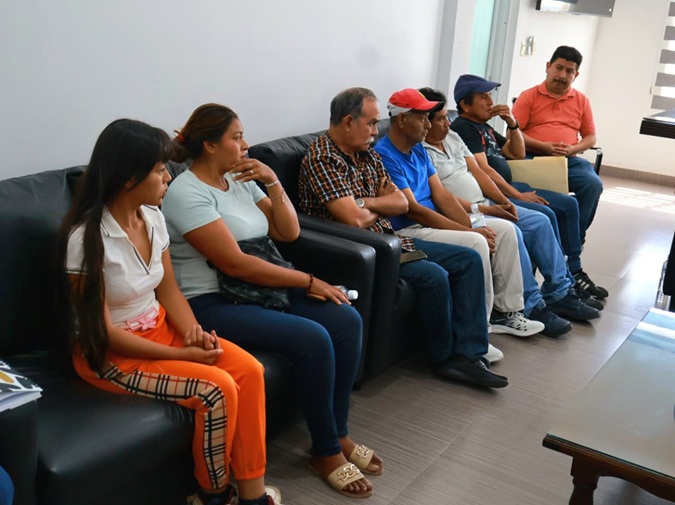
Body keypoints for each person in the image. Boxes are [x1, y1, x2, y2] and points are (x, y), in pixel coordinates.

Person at [56, 119, 279, 505]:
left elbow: (169, 290)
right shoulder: (86, 241)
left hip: (159, 329)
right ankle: (213, 494)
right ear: (129, 178)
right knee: (216, 389)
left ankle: (252, 494)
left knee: (249, 370)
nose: (168, 179)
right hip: (110, 355)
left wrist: (194, 333)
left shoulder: (153, 217)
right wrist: (183, 355)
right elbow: (102, 332)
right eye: (160, 170)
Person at [161, 104, 377, 500]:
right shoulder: (185, 193)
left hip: (259, 289)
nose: (246, 145)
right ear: (210, 145)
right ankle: (326, 451)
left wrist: (273, 181)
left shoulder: (239, 178)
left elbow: (287, 232)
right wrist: (308, 280)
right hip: (211, 300)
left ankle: (338, 431)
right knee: (313, 337)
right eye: (236, 137)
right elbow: (235, 264)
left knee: (346, 320)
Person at [299, 87, 509, 388]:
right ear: (348, 122)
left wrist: (364, 202)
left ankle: (470, 351)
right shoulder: (323, 158)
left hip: (390, 239)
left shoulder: (367, 154)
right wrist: (373, 205)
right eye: (372, 123)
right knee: (434, 276)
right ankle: (447, 359)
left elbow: (399, 203)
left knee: (467, 257)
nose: (376, 131)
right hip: (362, 250)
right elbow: (353, 219)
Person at [374, 88, 598, 335]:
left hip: (453, 213)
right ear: (402, 119)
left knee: (508, 230)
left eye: (431, 118)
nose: (428, 125)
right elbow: (415, 210)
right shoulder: (386, 154)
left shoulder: (418, 148)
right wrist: (472, 229)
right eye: (424, 118)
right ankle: (482, 327)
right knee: (479, 241)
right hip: (415, 227)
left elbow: (443, 195)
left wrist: (475, 222)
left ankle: (509, 311)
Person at [449, 74, 608, 303]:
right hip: (498, 192)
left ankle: (573, 269)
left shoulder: (484, 127)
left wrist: (512, 123)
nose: (491, 102)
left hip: (513, 185)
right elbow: (483, 170)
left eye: (490, 96)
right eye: (484, 97)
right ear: (465, 105)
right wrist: (516, 195)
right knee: (547, 214)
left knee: (569, 204)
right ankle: (562, 283)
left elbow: (517, 153)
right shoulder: (464, 127)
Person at [512, 46, 604, 273]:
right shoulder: (528, 96)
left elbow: (590, 137)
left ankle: (574, 237)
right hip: (532, 158)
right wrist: (543, 146)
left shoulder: (581, 100)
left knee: (593, 184)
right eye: (558, 68)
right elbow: (513, 133)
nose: (562, 75)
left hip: (567, 161)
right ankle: (569, 243)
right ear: (548, 67)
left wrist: (573, 148)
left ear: (576, 74)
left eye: (569, 71)